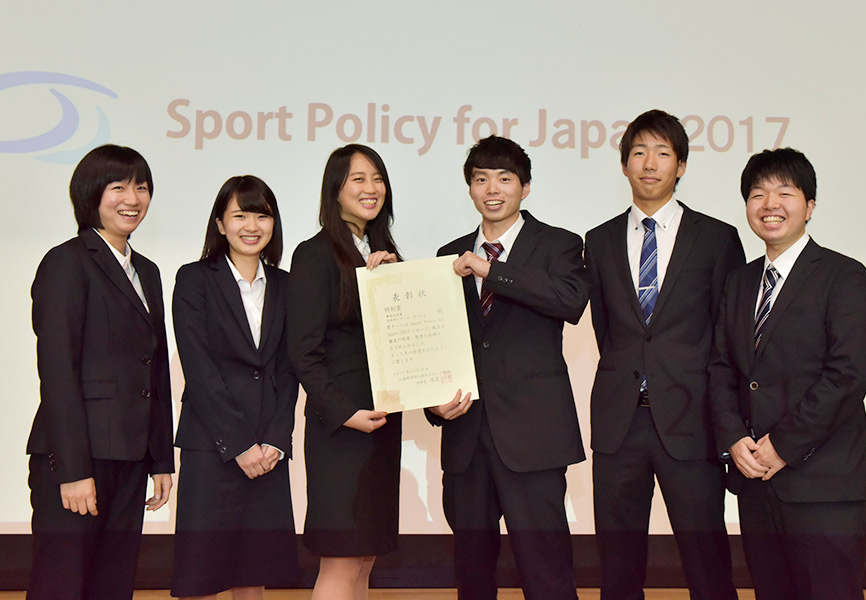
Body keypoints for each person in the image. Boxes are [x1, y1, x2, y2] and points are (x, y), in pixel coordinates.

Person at [584, 109, 743, 600]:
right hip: (619, 423)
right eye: (638, 153)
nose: (649, 163)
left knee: (706, 562)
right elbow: (608, 331)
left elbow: (728, 335)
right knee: (618, 565)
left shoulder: (717, 238)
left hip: (691, 421)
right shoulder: (600, 239)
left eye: (662, 153)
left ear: (681, 165)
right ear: (624, 165)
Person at [709, 148, 866, 600]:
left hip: (824, 485)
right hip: (757, 484)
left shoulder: (845, 276)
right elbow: (722, 366)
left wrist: (781, 446)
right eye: (758, 194)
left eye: (785, 192)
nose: (770, 204)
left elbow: (848, 376)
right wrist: (732, 437)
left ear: (810, 206)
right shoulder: (740, 282)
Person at [427, 135, 588, 600]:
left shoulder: (559, 244)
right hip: (466, 438)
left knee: (547, 571)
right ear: (470, 188)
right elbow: (434, 343)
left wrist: (489, 270)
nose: (492, 189)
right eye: (481, 179)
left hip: (534, 438)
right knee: (472, 574)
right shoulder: (448, 253)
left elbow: (570, 301)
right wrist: (434, 408)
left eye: (504, 178)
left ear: (526, 187)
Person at [26, 144, 174, 599]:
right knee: (63, 585)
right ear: (92, 195)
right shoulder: (67, 261)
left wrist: (161, 458)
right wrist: (72, 469)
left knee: (113, 585)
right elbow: (57, 371)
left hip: (129, 457)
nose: (132, 198)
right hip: (78, 458)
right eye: (119, 187)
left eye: (142, 187)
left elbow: (157, 369)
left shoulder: (146, 270)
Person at [170, 175, 300, 599]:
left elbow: (287, 369)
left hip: (267, 450)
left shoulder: (285, 285)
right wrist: (241, 445)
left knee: (254, 570)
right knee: (203, 574)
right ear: (220, 224)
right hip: (214, 446)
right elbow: (200, 368)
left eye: (261, 215)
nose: (251, 225)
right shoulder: (194, 279)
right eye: (239, 215)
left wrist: (276, 440)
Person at [287, 144, 402, 600]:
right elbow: (303, 352)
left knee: (364, 558)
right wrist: (345, 412)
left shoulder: (383, 251)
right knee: (340, 559)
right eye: (358, 178)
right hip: (341, 428)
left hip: (380, 423)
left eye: (377, 178)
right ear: (335, 189)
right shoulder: (314, 254)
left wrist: (390, 283)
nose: (371, 188)